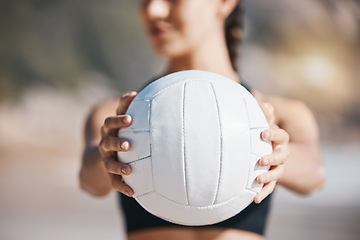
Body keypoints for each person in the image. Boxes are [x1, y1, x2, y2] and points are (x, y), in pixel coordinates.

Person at [79, 0, 326, 239]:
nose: (153, 9)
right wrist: (108, 153)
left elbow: (314, 174)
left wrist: (277, 156)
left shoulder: (278, 115)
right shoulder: (117, 116)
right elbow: (89, 181)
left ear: (225, 2)